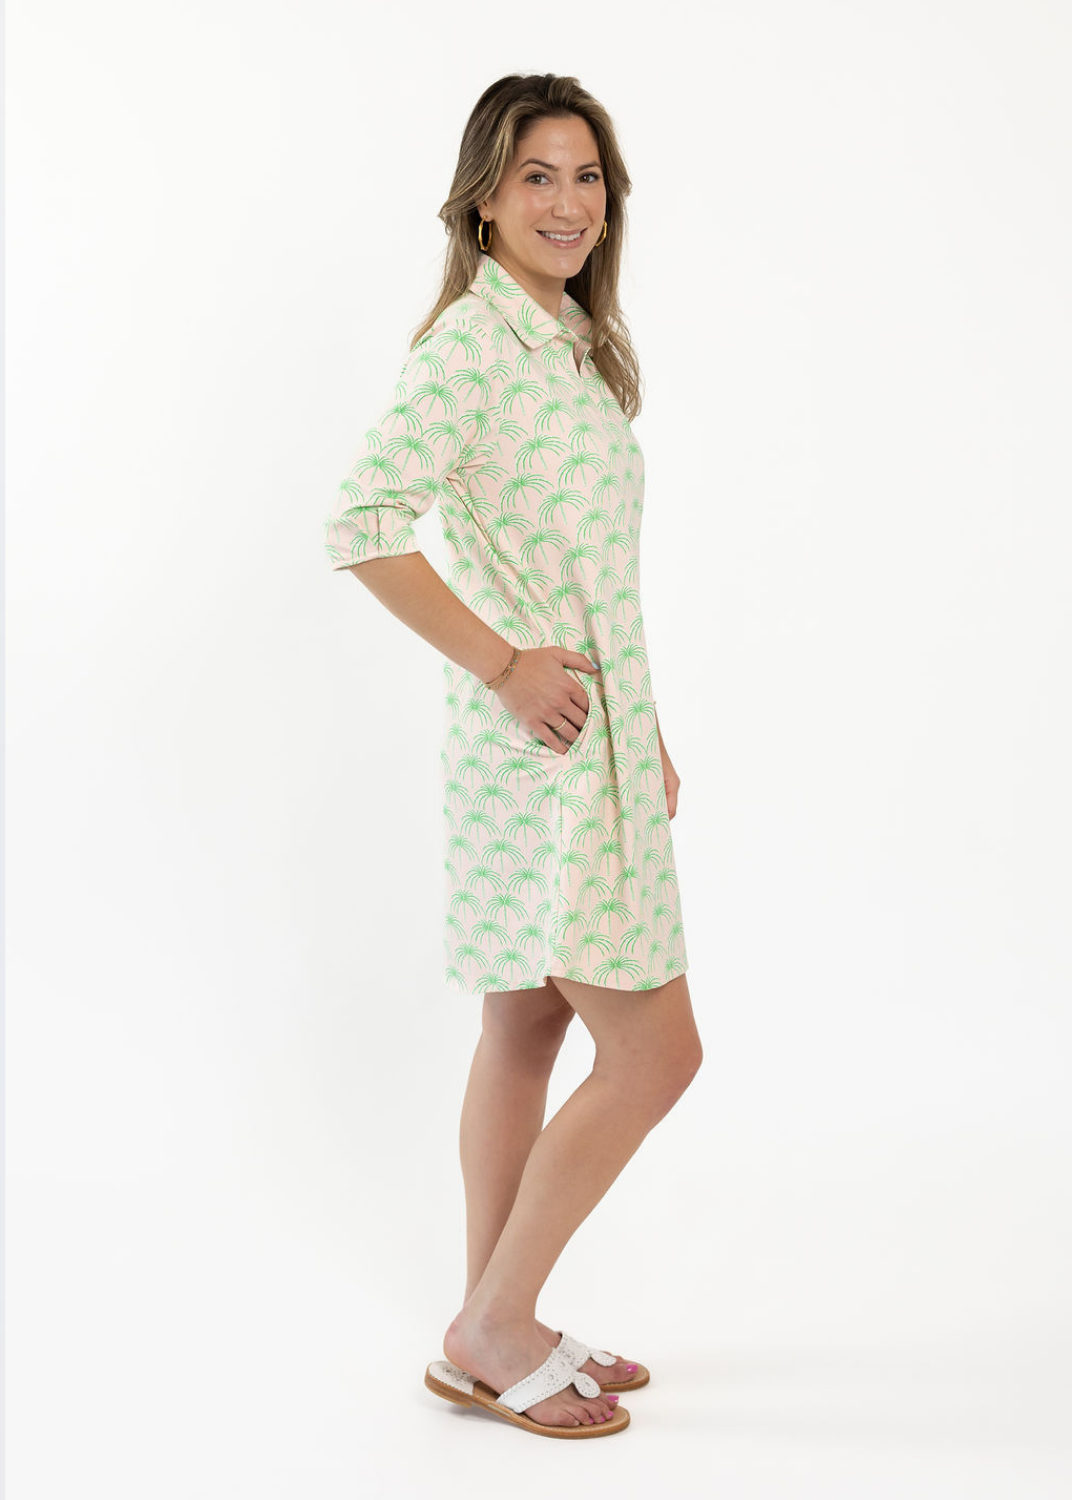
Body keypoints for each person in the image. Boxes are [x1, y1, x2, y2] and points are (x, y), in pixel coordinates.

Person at [324, 73, 704, 1438]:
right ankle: (495, 1323)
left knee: (528, 1025)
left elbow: (591, 567)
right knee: (657, 1054)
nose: (567, 201)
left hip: (580, 739)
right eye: (537, 175)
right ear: (483, 198)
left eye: (587, 175)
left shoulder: (573, 347)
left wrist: (645, 727)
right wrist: (504, 665)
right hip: (537, 749)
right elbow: (363, 525)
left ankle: (493, 1324)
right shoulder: (472, 349)